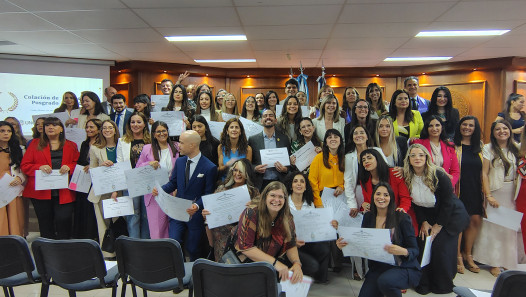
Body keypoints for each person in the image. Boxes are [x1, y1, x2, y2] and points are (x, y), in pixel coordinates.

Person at [337, 182, 421, 297]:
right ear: (373, 197)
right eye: (378, 194)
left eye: (386, 195)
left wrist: (403, 251)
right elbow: (362, 243)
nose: (381, 197)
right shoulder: (368, 217)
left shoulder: (402, 217)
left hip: (403, 266)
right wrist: (345, 244)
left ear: (391, 198)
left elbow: (415, 250)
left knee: (386, 281)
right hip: (379, 267)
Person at [404, 143, 462, 294]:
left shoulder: (439, 175)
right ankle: (424, 283)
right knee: (423, 244)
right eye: (413, 155)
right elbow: (416, 204)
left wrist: (438, 225)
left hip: (448, 216)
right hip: (427, 216)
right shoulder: (408, 177)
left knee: (440, 247)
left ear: (427, 157)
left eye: (421, 155)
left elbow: (448, 202)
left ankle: (442, 284)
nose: (417, 158)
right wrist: (424, 221)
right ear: (408, 159)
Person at [152, 130, 217, 261]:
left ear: (192, 145)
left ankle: (195, 274)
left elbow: (208, 193)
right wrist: (160, 190)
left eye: (181, 143)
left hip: (195, 215)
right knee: (174, 243)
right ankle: (177, 272)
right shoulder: (180, 162)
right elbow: (173, 183)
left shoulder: (209, 167)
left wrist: (197, 206)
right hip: (177, 212)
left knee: (193, 248)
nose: (178, 145)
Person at [473, 120, 522, 276]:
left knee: (509, 229)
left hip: (513, 192)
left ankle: (507, 261)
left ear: (510, 130)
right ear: (493, 133)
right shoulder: (488, 148)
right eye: (498, 129)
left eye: (505, 128)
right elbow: (484, 173)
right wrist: (488, 195)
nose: (502, 131)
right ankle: (494, 262)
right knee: (493, 228)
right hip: (496, 190)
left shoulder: (517, 148)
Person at [21, 117, 79, 239]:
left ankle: (64, 247)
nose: (50, 127)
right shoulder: (34, 144)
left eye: (54, 125)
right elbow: (25, 166)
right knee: (45, 223)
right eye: (47, 125)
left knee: (64, 219)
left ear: (61, 129)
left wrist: (69, 167)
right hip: (41, 192)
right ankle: (47, 250)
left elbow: (78, 165)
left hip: (64, 191)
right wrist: (39, 167)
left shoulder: (71, 145)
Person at [235, 181, 303, 284]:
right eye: (273, 195)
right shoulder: (251, 213)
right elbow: (245, 247)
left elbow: (291, 243)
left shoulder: (287, 218)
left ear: (285, 200)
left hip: (269, 263)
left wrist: (297, 264)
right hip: (245, 262)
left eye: (281, 197)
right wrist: (276, 264)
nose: (276, 200)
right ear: (265, 197)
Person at [202, 159, 260, 261]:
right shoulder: (221, 189)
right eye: (235, 170)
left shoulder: (254, 193)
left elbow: (261, 216)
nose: (237, 174)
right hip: (221, 234)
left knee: (239, 266)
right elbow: (210, 214)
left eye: (241, 171)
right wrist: (206, 214)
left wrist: (254, 208)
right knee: (223, 264)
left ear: (247, 174)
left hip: (242, 235)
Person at [136, 121, 179, 239]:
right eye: (158, 131)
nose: (162, 133)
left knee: (172, 227)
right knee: (157, 229)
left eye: (164, 130)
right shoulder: (147, 149)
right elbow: (137, 169)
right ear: (153, 134)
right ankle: (158, 254)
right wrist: (148, 164)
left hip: (172, 191)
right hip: (154, 192)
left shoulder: (176, 146)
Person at [453, 115, 484, 274]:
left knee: (475, 220)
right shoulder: (453, 145)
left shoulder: (479, 146)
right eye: (464, 124)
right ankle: (457, 256)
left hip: (475, 188)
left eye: (471, 125)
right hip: (458, 189)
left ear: (475, 128)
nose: (467, 127)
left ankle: (468, 254)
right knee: (459, 222)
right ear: (459, 126)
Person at [287, 171, 330, 283]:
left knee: (325, 247)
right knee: (312, 265)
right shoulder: (284, 202)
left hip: (307, 241)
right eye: (295, 181)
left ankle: (320, 277)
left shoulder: (310, 203)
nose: (299, 184)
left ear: (306, 187)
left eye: (302, 181)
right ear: (291, 186)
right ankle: (303, 270)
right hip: (290, 243)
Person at [116, 111, 152, 239]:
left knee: (147, 215)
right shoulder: (122, 141)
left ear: (144, 124)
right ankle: (135, 245)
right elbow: (119, 163)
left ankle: (147, 245)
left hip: (148, 183)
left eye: (138, 122)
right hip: (130, 183)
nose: (135, 125)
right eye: (132, 122)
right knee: (133, 216)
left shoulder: (151, 140)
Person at [88, 119, 119, 256]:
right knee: (103, 223)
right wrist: (101, 166)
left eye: (110, 127)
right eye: (105, 128)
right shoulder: (95, 148)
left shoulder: (122, 145)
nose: (107, 130)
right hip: (102, 190)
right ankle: (107, 253)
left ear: (115, 129)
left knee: (119, 222)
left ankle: (120, 250)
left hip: (119, 190)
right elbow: (91, 169)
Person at [72, 118, 101, 240]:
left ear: (99, 130)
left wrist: (93, 166)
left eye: (91, 127)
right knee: (82, 206)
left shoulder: (101, 144)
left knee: (92, 208)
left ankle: (93, 235)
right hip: (84, 179)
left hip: (97, 179)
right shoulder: (84, 144)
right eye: (87, 127)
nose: (88, 130)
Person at [248, 109, 291, 190]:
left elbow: (289, 162)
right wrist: (255, 168)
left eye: (271, 115)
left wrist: (285, 169)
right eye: (265, 116)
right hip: (260, 183)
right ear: (261, 121)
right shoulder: (253, 140)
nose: (268, 117)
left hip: (280, 182)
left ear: (275, 120)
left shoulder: (284, 139)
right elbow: (248, 163)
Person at [358, 149, 412, 213]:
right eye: (363, 160)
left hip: (398, 213)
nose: (366, 161)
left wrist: (401, 210)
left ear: (378, 159)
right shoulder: (364, 180)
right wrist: (364, 205)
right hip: (378, 215)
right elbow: (367, 201)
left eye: (369, 158)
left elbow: (405, 198)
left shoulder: (394, 173)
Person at [411, 116, 460, 186]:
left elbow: (455, 171)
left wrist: (448, 185)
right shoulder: (418, 144)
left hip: (445, 186)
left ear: (442, 127)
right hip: (424, 185)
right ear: (426, 128)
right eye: (431, 126)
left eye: (437, 125)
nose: (434, 128)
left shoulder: (449, 146)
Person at [0, 121, 26, 236]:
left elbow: (24, 169)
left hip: (12, 187)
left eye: (9, 131)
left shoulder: (18, 149)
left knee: (14, 216)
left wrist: (20, 178)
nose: (6, 134)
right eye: (2, 131)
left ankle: (13, 243)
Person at [309, 129, 345, 208]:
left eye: (336, 137)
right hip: (322, 198)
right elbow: (312, 182)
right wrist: (318, 202)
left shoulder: (345, 158)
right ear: (325, 142)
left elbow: (349, 179)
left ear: (340, 141)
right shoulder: (318, 158)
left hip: (341, 198)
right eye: (329, 137)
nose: (333, 139)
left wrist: (341, 186)